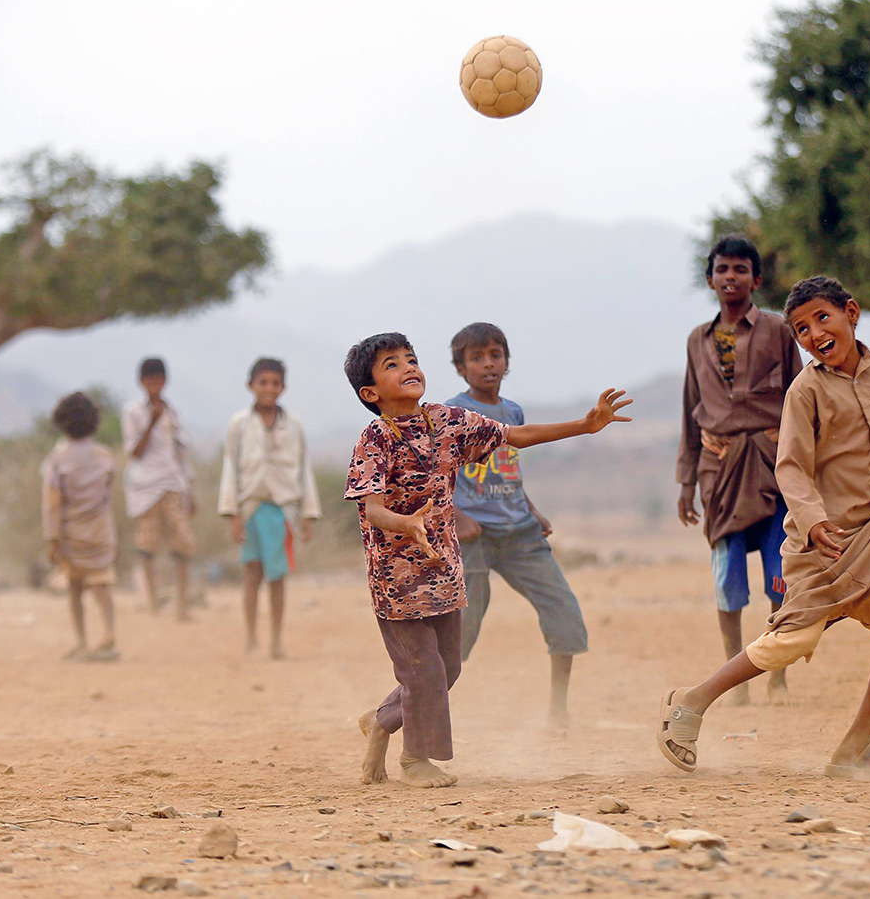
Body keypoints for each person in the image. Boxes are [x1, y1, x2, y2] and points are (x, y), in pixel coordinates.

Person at [656, 275, 870, 780]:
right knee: (790, 641)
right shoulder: (804, 392)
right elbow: (792, 469)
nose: (813, 335)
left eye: (822, 319)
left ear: (851, 312)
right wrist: (813, 521)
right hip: (823, 543)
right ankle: (689, 703)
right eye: (801, 330)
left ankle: (854, 746)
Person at [343, 332, 631, 788]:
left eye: (411, 358)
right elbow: (373, 508)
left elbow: (514, 436)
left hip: (444, 572)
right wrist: (406, 523)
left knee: (448, 667)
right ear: (371, 393)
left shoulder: (447, 422)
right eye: (392, 364)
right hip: (397, 580)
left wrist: (585, 424)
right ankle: (415, 759)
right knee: (423, 669)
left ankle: (381, 722)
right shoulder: (375, 439)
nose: (408, 367)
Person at [677, 235, 802, 705]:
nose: (731, 277)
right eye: (723, 269)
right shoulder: (697, 340)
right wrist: (686, 481)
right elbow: (691, 407)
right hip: (719, 470)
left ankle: (777, 675)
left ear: (757, 279)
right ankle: (736, 677)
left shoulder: (778, 331)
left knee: (779, 572)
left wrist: (801, 457)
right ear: (710, 279)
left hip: (774, 467)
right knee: (727, 575)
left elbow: (801, 395)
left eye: (740, 269)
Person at [446, 323, 587, 729]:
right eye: (476, 358)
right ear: (461, 368)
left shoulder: (512, 413)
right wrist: (456, 516)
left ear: (506, 361)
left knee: (562, 608)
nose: (488, 364)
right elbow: (436, 474)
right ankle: (421, 708)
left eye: (495, 355)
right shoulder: (453, 414)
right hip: (474, 535)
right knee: (463, 629)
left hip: (519, 531)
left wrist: (533, 510)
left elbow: (506, 472)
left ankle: (558, 709)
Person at [218, 357, 320, 658]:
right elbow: (230, 467)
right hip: (250, 507)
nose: (269, 389)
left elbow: (304, 469)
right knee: (252, 573)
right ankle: (250, 639)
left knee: (277, 576)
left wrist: (308, 514)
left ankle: (276, 639)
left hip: (282, 511)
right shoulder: (239, 424)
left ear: (283, 387)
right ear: (251, 385)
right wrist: (232, 512)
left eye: (275, 383)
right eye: (263, 383)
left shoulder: (294, 425)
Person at [43, 392, 120, 662]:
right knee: (102, 584)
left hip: (71, 533)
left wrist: (52, 539)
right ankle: (109, 635)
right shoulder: (104, 456)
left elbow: (52, 503)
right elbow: (109, 484)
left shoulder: (57, 460)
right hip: (100, 531)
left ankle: (82, 642)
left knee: (75, 588)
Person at [122, 358, 197, 619]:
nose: (154, 386)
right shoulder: (133, 412)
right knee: (147, 545)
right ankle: (152, 603)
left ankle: (182, 605)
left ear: (165, 381)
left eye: (158, 380)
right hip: (145, 487)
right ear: (141, 383)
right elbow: (135, 452)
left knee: (182, 544)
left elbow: (181, 453)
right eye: (149, 381)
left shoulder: (173, 412)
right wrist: (151, 422)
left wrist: (189, 489)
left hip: (173, 484)